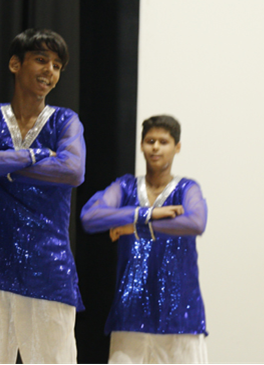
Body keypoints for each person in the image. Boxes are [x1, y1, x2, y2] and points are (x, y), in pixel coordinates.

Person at [0, 28, 86, 364]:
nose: (49, 71)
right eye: (41, 60)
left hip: (47, 267)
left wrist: (0, 164)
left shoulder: (65, 121)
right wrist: (36, 155)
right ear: (14, 64)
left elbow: (72, 170)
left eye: (57, 66)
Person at [80, 115, 208, 364]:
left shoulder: (187, 188)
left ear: (177, 147)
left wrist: (135, 228)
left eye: (163, 142)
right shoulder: (126, 186)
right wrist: (146, 214)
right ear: (141, 145)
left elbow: (196, 222)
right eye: (150, 141)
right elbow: (90, 216)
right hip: (130, 312)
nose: (156, 147)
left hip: (180, 315)